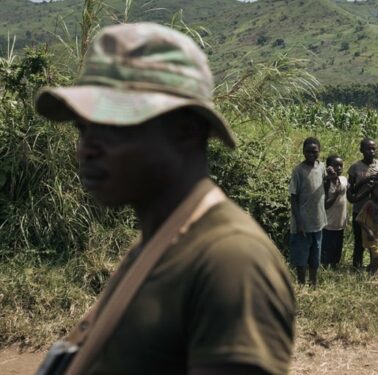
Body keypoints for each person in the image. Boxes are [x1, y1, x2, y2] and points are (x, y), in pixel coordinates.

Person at [34, 23, 295, 375]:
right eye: (83, 127)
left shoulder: (230, 261)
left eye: (113, 122)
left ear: (185, 130)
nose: (85, 148)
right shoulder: (158, 246)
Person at [289, 137, 327, 287]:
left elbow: (324, 186)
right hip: (303, 223)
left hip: (318, 221)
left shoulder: (322, 167)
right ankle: (301, 284)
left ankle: (313, 283)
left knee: (315, 256)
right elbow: (293, 198)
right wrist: (299, 222)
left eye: (314, 151)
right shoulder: (298, 171)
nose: (311, 153)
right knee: (301, 257)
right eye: (308, 151)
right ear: (303, 151)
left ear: (319, 151)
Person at [347, 138, 378, 269]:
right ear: (361, 150)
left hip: (377, 212)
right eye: (368, 149)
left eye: (373, 149)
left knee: (376, 240)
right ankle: (357, 268)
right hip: (360, 210)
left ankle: (373, 266)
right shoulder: (355, 167)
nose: (371, 151)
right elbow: (351, 190)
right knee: (359, 241)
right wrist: (365, 182)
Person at [355, 180, 378, 274]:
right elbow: (359, 219)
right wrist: (368, 230)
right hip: (371, 236)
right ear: (373, 190)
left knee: (374, 257)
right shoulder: (369, 204)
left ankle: (371, 272)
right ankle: (370, 270)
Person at [321, 154, 348, 268]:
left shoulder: (343, 179)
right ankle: (324, 266)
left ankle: (334, 266)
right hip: (328, 224)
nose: (339, 168)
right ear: (329, 167)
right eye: (336, 166)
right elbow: (325, 205)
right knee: (327, 248)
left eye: (341, 166)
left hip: (340, 222)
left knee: (337, 248)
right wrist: (336, 192)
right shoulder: (326, 183)